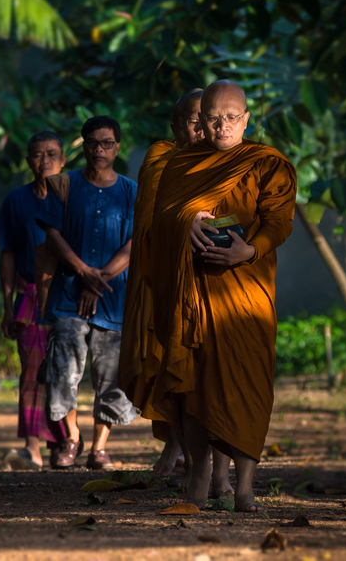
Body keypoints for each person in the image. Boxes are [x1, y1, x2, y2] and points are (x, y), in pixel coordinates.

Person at [140, 80, 296, 511]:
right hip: (192, 295)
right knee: (192, 387)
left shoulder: (267, 163)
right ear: (200, 121)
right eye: (213, 118)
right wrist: (184, 222)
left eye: (231, 117)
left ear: (246, 119)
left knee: (247, 384)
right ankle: (198, 481)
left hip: (247, 293)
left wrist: (250, 249)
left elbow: (278, 221)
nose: (222, 126)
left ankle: (244, 488)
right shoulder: (181, 164)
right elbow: (160, 221)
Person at [120, 89, 230, 488]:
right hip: (162, 279)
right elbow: (148, 225)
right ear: (175, 125)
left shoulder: (229, 160)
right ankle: (182, 449)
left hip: (215, 279)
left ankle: (219, 471)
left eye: (208, 119)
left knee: (215, 375)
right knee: (175, 369)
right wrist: (183, 222)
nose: (201, 127)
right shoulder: (160, 159)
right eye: (192, 120)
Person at [35, 116, 139, 470]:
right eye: (93, 143)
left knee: (111, 375)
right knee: (64, 369)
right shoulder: (66, 185)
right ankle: (71, 438)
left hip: (113, 297)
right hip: (68, 295)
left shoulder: (130, 191)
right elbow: (52, 234)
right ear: (84, 145)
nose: (99, 149)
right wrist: (82, 271)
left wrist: (100, 279)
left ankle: (100, 448)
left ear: (118, 147)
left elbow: (135, 242)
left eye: (107, 143)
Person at [0, 131, 69, 470]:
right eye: (38, 154)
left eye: (52, 153)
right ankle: (32, 447)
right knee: (32, 372)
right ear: (28, 161)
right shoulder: (16, 202)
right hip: (29, 296)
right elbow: (6, 254)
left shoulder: (73, 198)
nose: (45, 160)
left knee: (65, 371)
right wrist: (7, 304)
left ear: (63, 159)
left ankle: (65, 441)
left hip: (65, 294)